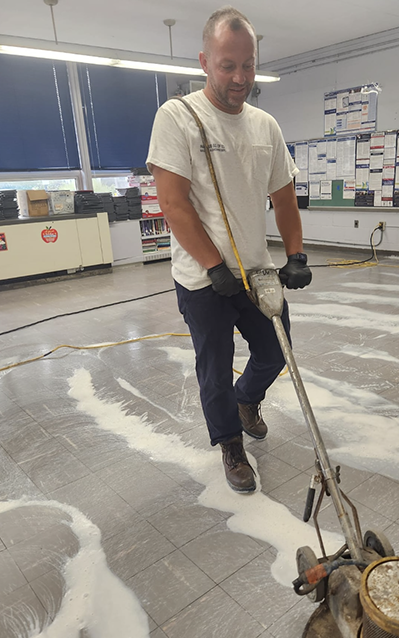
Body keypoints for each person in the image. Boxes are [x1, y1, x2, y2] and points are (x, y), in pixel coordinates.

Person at [147, 6, 311, 493]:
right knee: (213, 366)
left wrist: (296, 255)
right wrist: (214, 266)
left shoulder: (266, 126)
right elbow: (174, 205)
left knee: (275, 350)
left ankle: (248, 399)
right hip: (204, 278)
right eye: (227, 65)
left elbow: (285, 200)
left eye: (248, 64)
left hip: (256, 273)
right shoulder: (178, 117)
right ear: (204, 61)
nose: (240, 77)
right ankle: (230, 444)